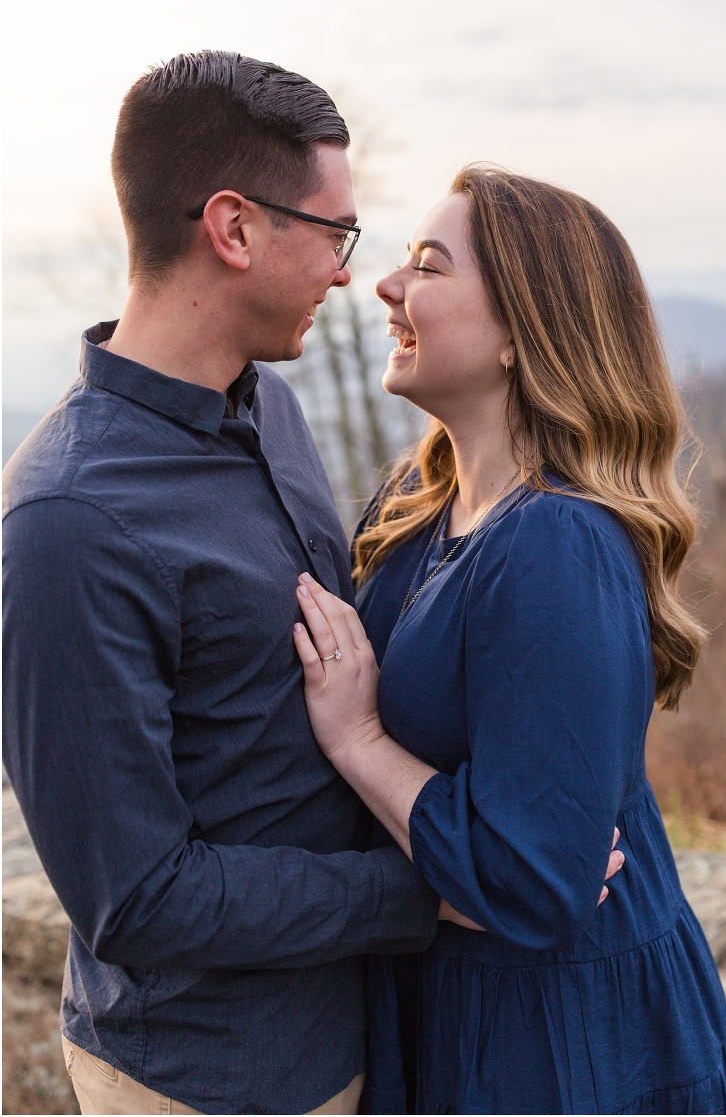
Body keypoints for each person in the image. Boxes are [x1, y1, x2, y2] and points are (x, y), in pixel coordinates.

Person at [2, 54, 622, 1115]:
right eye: (336, 234)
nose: (349, 275)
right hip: (210, 1079)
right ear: (235, 229)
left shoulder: (270, 410)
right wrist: (434, 886)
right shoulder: (70, 518)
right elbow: (136, 898)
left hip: (362, 1036)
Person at [291, 165, 726, 1115]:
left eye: (428, 266)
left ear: (522, 331)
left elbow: (537, 885)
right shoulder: (415, 507)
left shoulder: (557, 541)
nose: (386, 285)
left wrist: (359, 741)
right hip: (445, 1003)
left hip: (561, 1044)